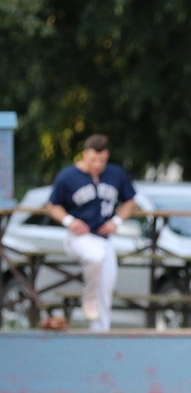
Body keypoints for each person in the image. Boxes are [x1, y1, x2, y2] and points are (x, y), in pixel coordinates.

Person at [46, 134, 136, 332]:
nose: (97, 164)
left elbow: (130, 201)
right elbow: (52, 205)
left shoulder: (115, 174)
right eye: (94, 159)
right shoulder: (68, 176)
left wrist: (117, 221)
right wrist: (69, 221)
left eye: (102, 160)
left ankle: (100, 331)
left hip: (104, 238)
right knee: (95, 255)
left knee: (107, 283)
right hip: (79, 237)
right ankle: (89, 297)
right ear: (85, 154)